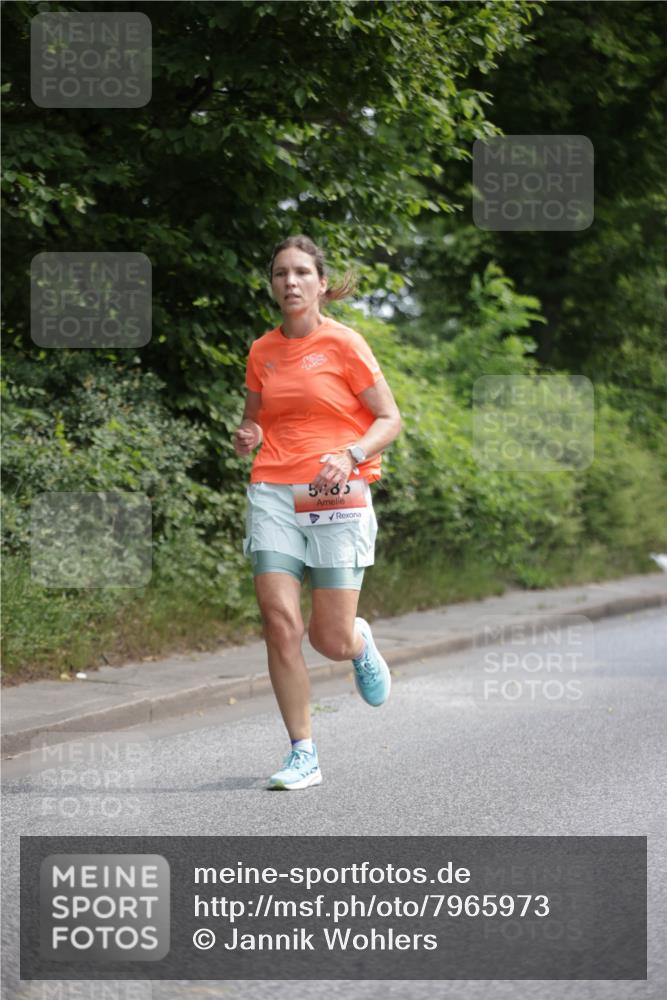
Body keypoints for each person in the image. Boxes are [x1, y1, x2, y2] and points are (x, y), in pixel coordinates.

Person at [233, 234, 401, 790]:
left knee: (326, 639)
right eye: (281, 273)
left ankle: (357, 641)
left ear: (321, 283)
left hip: (336, 490)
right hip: (275, 488)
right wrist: (248, 434)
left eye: (302, 272)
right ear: (273, 284)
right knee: (280, 623)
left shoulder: (346, 344)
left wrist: (351, 453)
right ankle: (303, 752)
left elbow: (388, 420)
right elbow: (257, 420)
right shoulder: (262, 351)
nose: (291, 281)